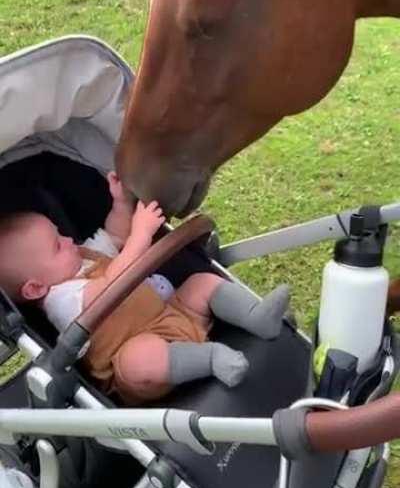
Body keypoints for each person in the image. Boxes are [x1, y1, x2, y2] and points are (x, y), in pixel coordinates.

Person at [0, 173, 290, 404]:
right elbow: (112, 282)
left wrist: (121, 205)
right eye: (57, 245)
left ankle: (257, 317)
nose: (68, 239)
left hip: (173, 313)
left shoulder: (84, 257)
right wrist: (141, 234)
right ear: (36, 288)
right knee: (138, 362)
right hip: (135, 354)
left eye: (60, 233)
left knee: (201, 283)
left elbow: (115, 236)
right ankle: (212, 357)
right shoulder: (59, 301)